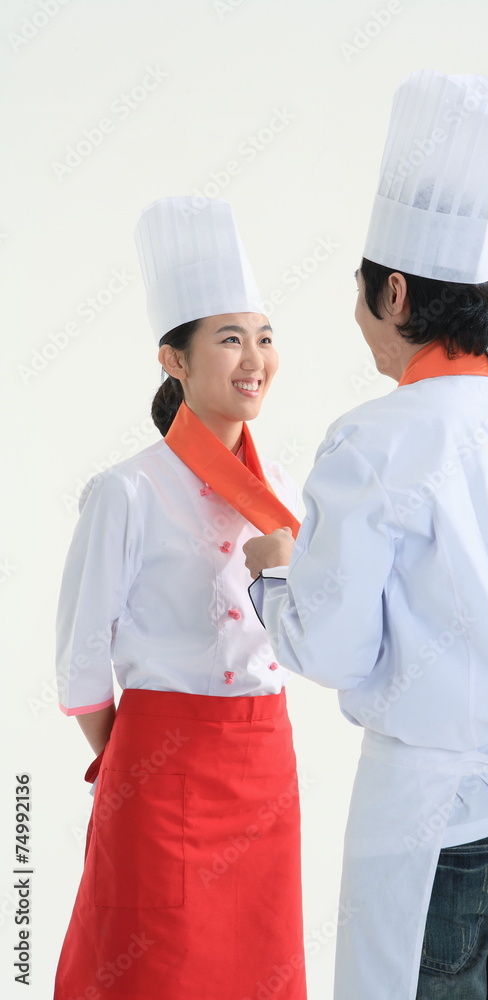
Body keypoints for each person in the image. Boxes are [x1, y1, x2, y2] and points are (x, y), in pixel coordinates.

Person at [243, 71, 488, 1000]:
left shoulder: (374, 441)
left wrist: (275, 579)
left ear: (396, 294)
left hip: (434, 834)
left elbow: (332, 648)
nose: (359, 320)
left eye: (361, 297)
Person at [53, 196, 306, 1000]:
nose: (253, 359)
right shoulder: (127, 491)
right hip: (159, 775)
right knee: (152, 969)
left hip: (265, 768)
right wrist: (135, 761)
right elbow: (81, 660)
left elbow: (312, 638)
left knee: (258, 971)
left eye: (263, 337)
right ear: (174, 359)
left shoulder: (281, 494)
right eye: (229, 339)